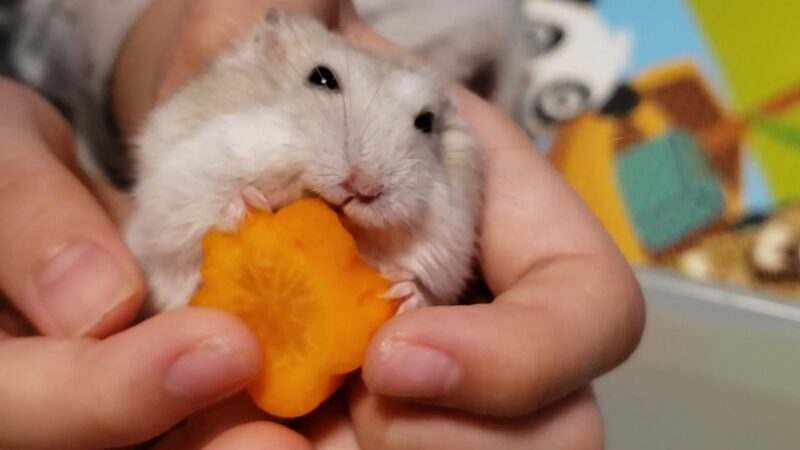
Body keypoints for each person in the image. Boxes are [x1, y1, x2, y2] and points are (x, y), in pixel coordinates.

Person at [0, 0, 645, 448]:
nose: (365, 177)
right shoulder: (233, 89)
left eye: (422, 127)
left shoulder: (461, 130)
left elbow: (441, 270)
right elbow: (164, 209)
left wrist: (408, 299)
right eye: (323, 82)